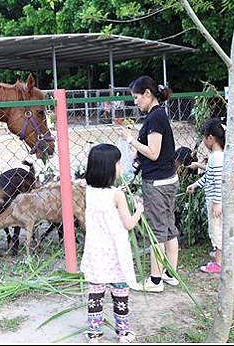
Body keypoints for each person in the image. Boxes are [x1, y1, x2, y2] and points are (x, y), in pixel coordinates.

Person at [119, 76, 178, 293]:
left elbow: (153, 153)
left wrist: (130, 139)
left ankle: (155, 280)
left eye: (136, 97)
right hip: (169, 179)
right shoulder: (159, 115)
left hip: (157, 183)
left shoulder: (155, 118)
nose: (135, 102)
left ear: (147, 94)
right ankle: (170, 273)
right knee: (169, 227)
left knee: (157, 230)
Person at [80, 143, 143, 343]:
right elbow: (129, 223)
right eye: (118, 163)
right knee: (120, 292)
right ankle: (123, 333)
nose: (121, 167)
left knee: (96, 293)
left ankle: (94, 334)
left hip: (95, 250)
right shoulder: (117, 195)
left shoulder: (88, 191)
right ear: (109, 168)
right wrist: (139, 210)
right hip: (115, 252)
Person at [186, 119, 234, 273]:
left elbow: (219, 182)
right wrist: (196, 184)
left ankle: (218, 263)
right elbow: (210, 176)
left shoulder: (216, 158)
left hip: (217, 201)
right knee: (222, 228)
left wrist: (217, 202)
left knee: (216, 230)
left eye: (204, 137)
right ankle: (225, 255)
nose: (204, 141)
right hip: (223, 200)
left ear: (210, 138)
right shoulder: (222, 155)